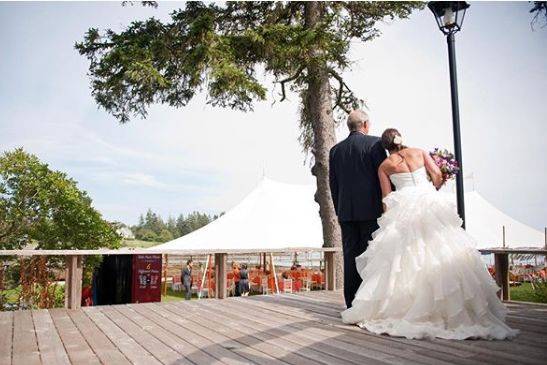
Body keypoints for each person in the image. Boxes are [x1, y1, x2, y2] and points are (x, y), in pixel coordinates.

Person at [341, 128, 518, 340]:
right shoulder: (419, 152)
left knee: (405, 260)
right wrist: (433, 187)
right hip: (429, 202)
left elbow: (386, 197)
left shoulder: (384, 166)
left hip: (404, 207)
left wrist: (388, 221)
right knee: (443, 249)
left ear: (385, 147)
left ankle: (409, 306)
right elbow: (436, 175)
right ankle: (453, 306)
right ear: (401, 138)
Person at [329, 109, 387, 308]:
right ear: (365, 125)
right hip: (372, 211)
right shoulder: (375, 144)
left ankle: (351, 303)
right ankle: (369, 302)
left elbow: (333, 185)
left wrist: (339, 210)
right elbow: (383, 177)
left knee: (350, 257)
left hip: (346, 212)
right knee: (371, 256)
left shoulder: (335, 151)